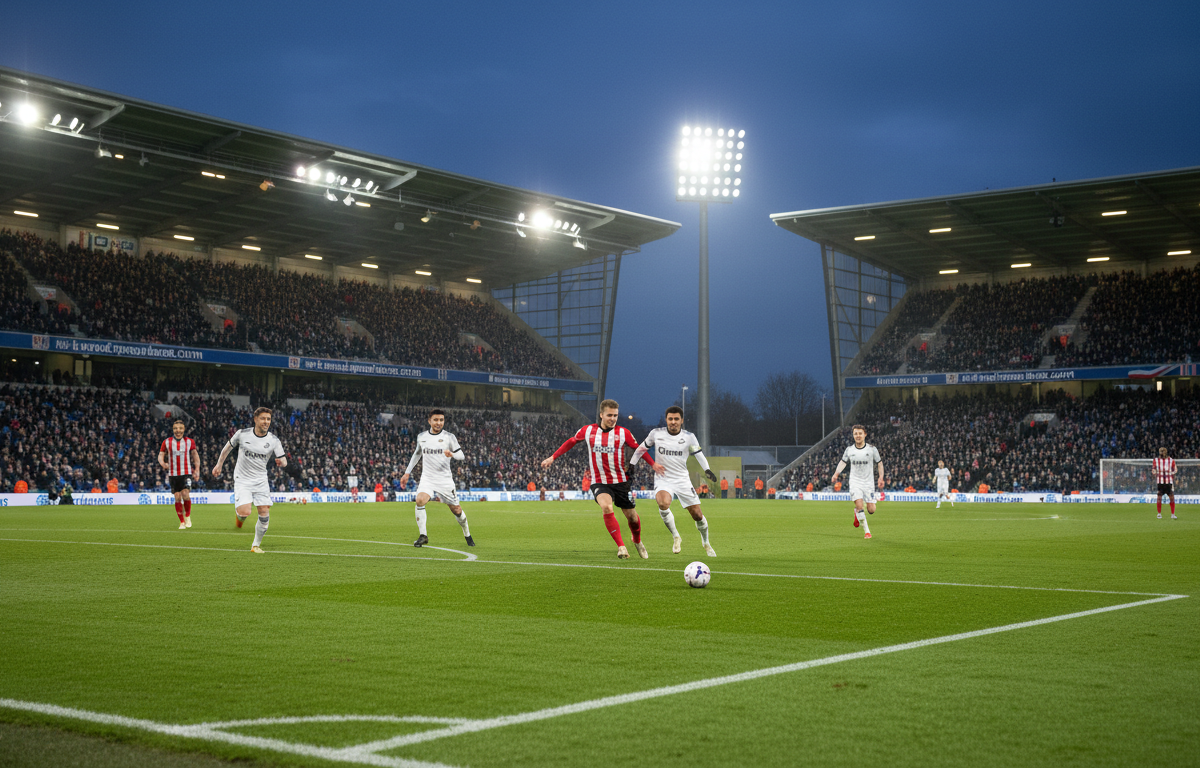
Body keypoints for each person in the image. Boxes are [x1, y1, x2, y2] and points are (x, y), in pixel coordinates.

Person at [542, 398, 657, 559]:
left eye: (615, 415)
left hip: (620, 482)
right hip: (599, 481)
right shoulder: (588, 430)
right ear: (601, 415)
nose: (613, 419)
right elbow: (571, 441)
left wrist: (653, 464)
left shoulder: (623, 433)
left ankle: (637, 541)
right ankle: (621, 547)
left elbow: (640, 450)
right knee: (607, 507)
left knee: (632, 517)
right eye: (609, 415)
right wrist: (552, 457)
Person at [631, 406, 718, 556]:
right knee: (663, 503)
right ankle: (676, 536)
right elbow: (640, 449)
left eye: (676, 419)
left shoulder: (689, 436)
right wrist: (632, 465)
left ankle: (706, 543)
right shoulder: (656, 434)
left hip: (682, 479)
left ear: (681, 420)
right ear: (666, 420)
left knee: (697, 514)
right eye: (670, 419)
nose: (673, 422)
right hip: (663, 478)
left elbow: (699, 454)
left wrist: (707, 470)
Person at [211, 407, 287, 553]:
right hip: (243, 478)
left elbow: (284, 460)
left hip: (260, 480)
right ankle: (240, 517)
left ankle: (255, 546)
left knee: (264, 512)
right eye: (263, 418)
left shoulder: (273, 440)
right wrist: (219, 464)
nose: (266, 422)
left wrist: (281, 462)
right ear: (255, 419)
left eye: (268, 419)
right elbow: (227, 449)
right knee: (245, 511)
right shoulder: (242, 434)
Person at [400, 409, 473, 547]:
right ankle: (423, 535)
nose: (438, 423)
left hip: (444, 479)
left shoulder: (449, 437)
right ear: (429, 421)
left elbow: (461, 456)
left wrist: (451, 454)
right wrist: (407, 472)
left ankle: (467, 534)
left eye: (441, 420)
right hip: (427, 478)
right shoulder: (422, 437)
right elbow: (417, 454)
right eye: (436, 420)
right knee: (420, 500)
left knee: (456, 510)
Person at [831, 424, 884, 540]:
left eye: (860, 433)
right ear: (853, 435)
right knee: (860, 505)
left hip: (869, 483)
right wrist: (836, 474)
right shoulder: (849, 450)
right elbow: (843, 462)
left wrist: (881, 477)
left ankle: (857, 512)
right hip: (855, 481)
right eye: (855, 433)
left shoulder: (872, 449)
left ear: (865, 434)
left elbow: (879, 463)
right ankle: (867, 532)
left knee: (871, 510)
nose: (858, 435)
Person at [158, 418, 200, 529]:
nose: (178, 430)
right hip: (173, 474)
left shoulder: (190, 442)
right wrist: (162, 463)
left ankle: (187, 516)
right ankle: (181, 522)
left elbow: (195, 455)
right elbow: (161, 455)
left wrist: (197, 469)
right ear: (173, 429)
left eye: (180, 428)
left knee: (185, 494)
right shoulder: (167, 442)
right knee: (177, 497)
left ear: (184, 429)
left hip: (186, 473)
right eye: (176, 428)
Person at [1153, 446, 1178, 520]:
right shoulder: (1156, 460)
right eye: (1160, 452)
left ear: (1165, 452)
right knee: (1159, 498)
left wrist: (1172, 472)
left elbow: (1175, 469)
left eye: (1163, 452)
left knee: (1172, 498)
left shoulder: (1171, 460)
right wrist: (1154, 472)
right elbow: (1153, 469)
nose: (1161, 453)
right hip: (1160, 482)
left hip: (1168, 482)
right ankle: (1159, 514)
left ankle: (1173, 514)